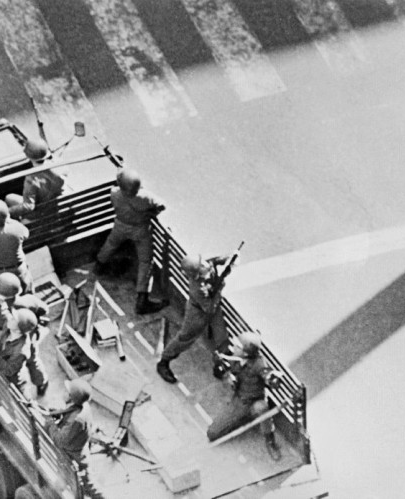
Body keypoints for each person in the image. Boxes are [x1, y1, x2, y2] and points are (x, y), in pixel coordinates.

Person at [94, 169, 166, 314]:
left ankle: (99, 266)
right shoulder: (145, 197)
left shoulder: (114, 193)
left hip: (120, 225)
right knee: (145, 262)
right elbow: (161, 206)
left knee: (110, 244)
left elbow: (119, 190)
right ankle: (141, 298)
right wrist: (149, 214)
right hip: (140, 230)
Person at [206, 332, 282, 460]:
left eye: (237, 347)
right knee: (212, 433)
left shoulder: (259, 363)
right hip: (239, 401)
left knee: (261, 408)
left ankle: (270, 439)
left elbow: (266, 374)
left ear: (246, 353)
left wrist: (272, 379)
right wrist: (223, 372)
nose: (234, 348)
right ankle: (243, 418)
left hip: (254, 401)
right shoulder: (235, 358)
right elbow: (218, 367)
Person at [156, 253, 230, 384]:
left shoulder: (203, 266)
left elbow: (213, 261)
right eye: (201, 265)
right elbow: (209, 308)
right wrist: (220, 286)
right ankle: (164, 361)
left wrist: (227, 258)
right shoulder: (197, 288)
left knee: (221, 337)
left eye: (202, 262)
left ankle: (221, 364)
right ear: (196, 274)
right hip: (198, 312)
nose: (205, 264)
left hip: (213, 305)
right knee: (185, 338)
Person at [0, 272, 50, 396]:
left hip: (16, 342)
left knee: (15, 367)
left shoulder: (1, 313)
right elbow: (45, 309)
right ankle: (41, 382)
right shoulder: (29, 299)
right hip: (31, 336)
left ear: (0, 294)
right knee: (34, 360)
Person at [5, 137, 67, 220]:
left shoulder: (31, 178)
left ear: (29, 156)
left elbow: (29, 206)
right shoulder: (59, 163)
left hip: (43, 211)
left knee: (9, 197)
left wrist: (7, 212)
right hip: (58, 204)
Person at [0, 304, 38, 391]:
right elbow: (0, 338)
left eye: (13, 319)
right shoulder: (9, 327)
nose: (9, 317)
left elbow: (9, 370)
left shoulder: (21, 351)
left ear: (19, 329)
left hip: (11, 379)